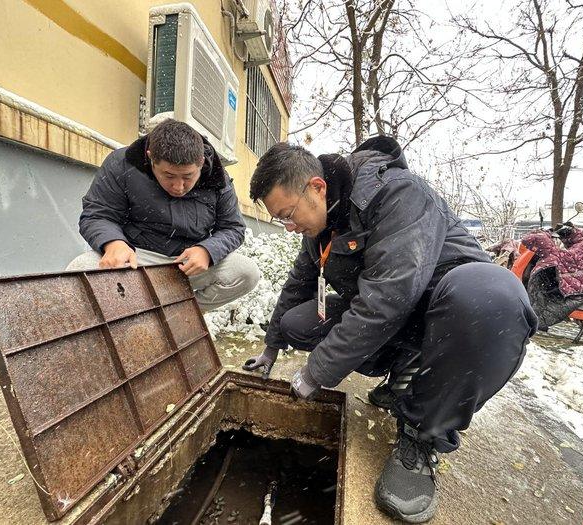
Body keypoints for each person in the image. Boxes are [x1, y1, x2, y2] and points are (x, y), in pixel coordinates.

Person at [242, 138, 538, 523]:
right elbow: (300, 283)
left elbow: (389, 298)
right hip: (400, 316)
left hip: (451, 314)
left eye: (287, 214)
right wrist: (271, 346)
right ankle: (405, 369)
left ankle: (422, 433)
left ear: (316, 186)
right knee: (297, 323)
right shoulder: (323, 223)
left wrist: (317, 371)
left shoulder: (398, 193)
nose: (288, 226)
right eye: (280, 219)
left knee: (494, 296)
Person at [67, 118, 259, 311]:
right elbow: (97, 214)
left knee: (246, 272)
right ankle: (128, 316)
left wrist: (207, 251)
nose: (178, 186)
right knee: (80, 269)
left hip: (186, 264)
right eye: (168, 176)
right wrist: (113, 243)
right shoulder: (122, 163)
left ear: (200, 162)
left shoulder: (218, 177)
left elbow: (233, 227)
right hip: (135, 258)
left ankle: (178, 315)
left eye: (188, 177)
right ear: (151, 158)